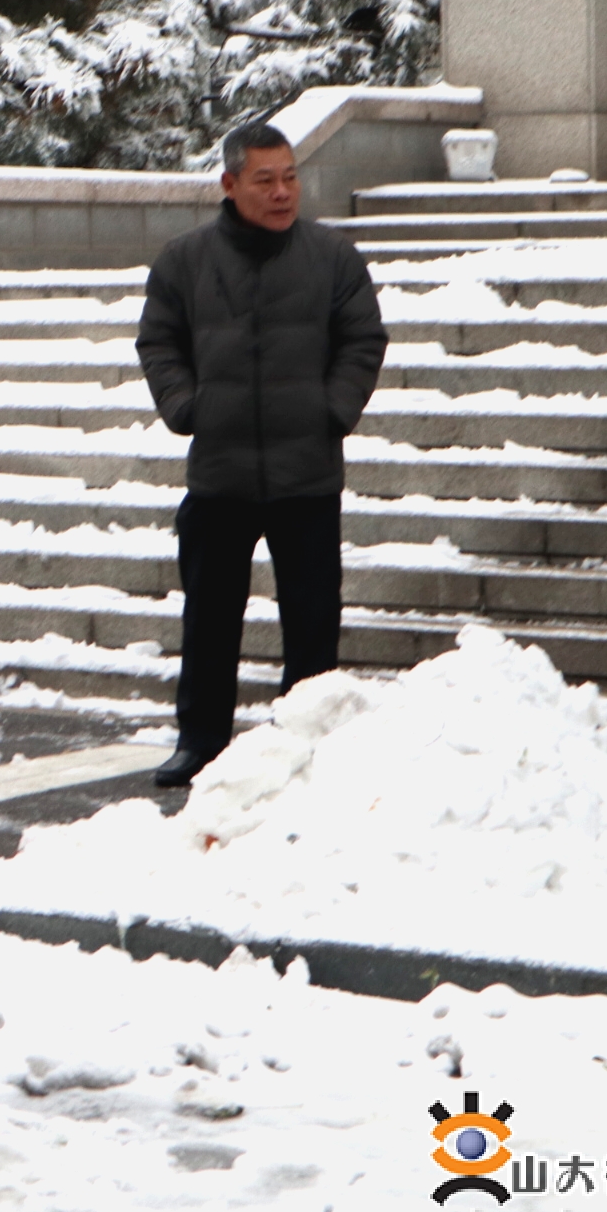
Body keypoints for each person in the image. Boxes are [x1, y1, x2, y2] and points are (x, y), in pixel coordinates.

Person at [136, 121, 388, 788]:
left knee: (312, 621)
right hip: (219, 475)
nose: (282, 193)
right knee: (210, 618)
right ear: (229, 184)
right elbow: (158, 342)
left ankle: (304, 745)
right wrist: (188, 408)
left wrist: (330, 411)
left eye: (290, 178)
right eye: (265, 180)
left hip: (306, 475)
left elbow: (363, 339)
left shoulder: (332, 257)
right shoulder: (184, 260)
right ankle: (201, 743)